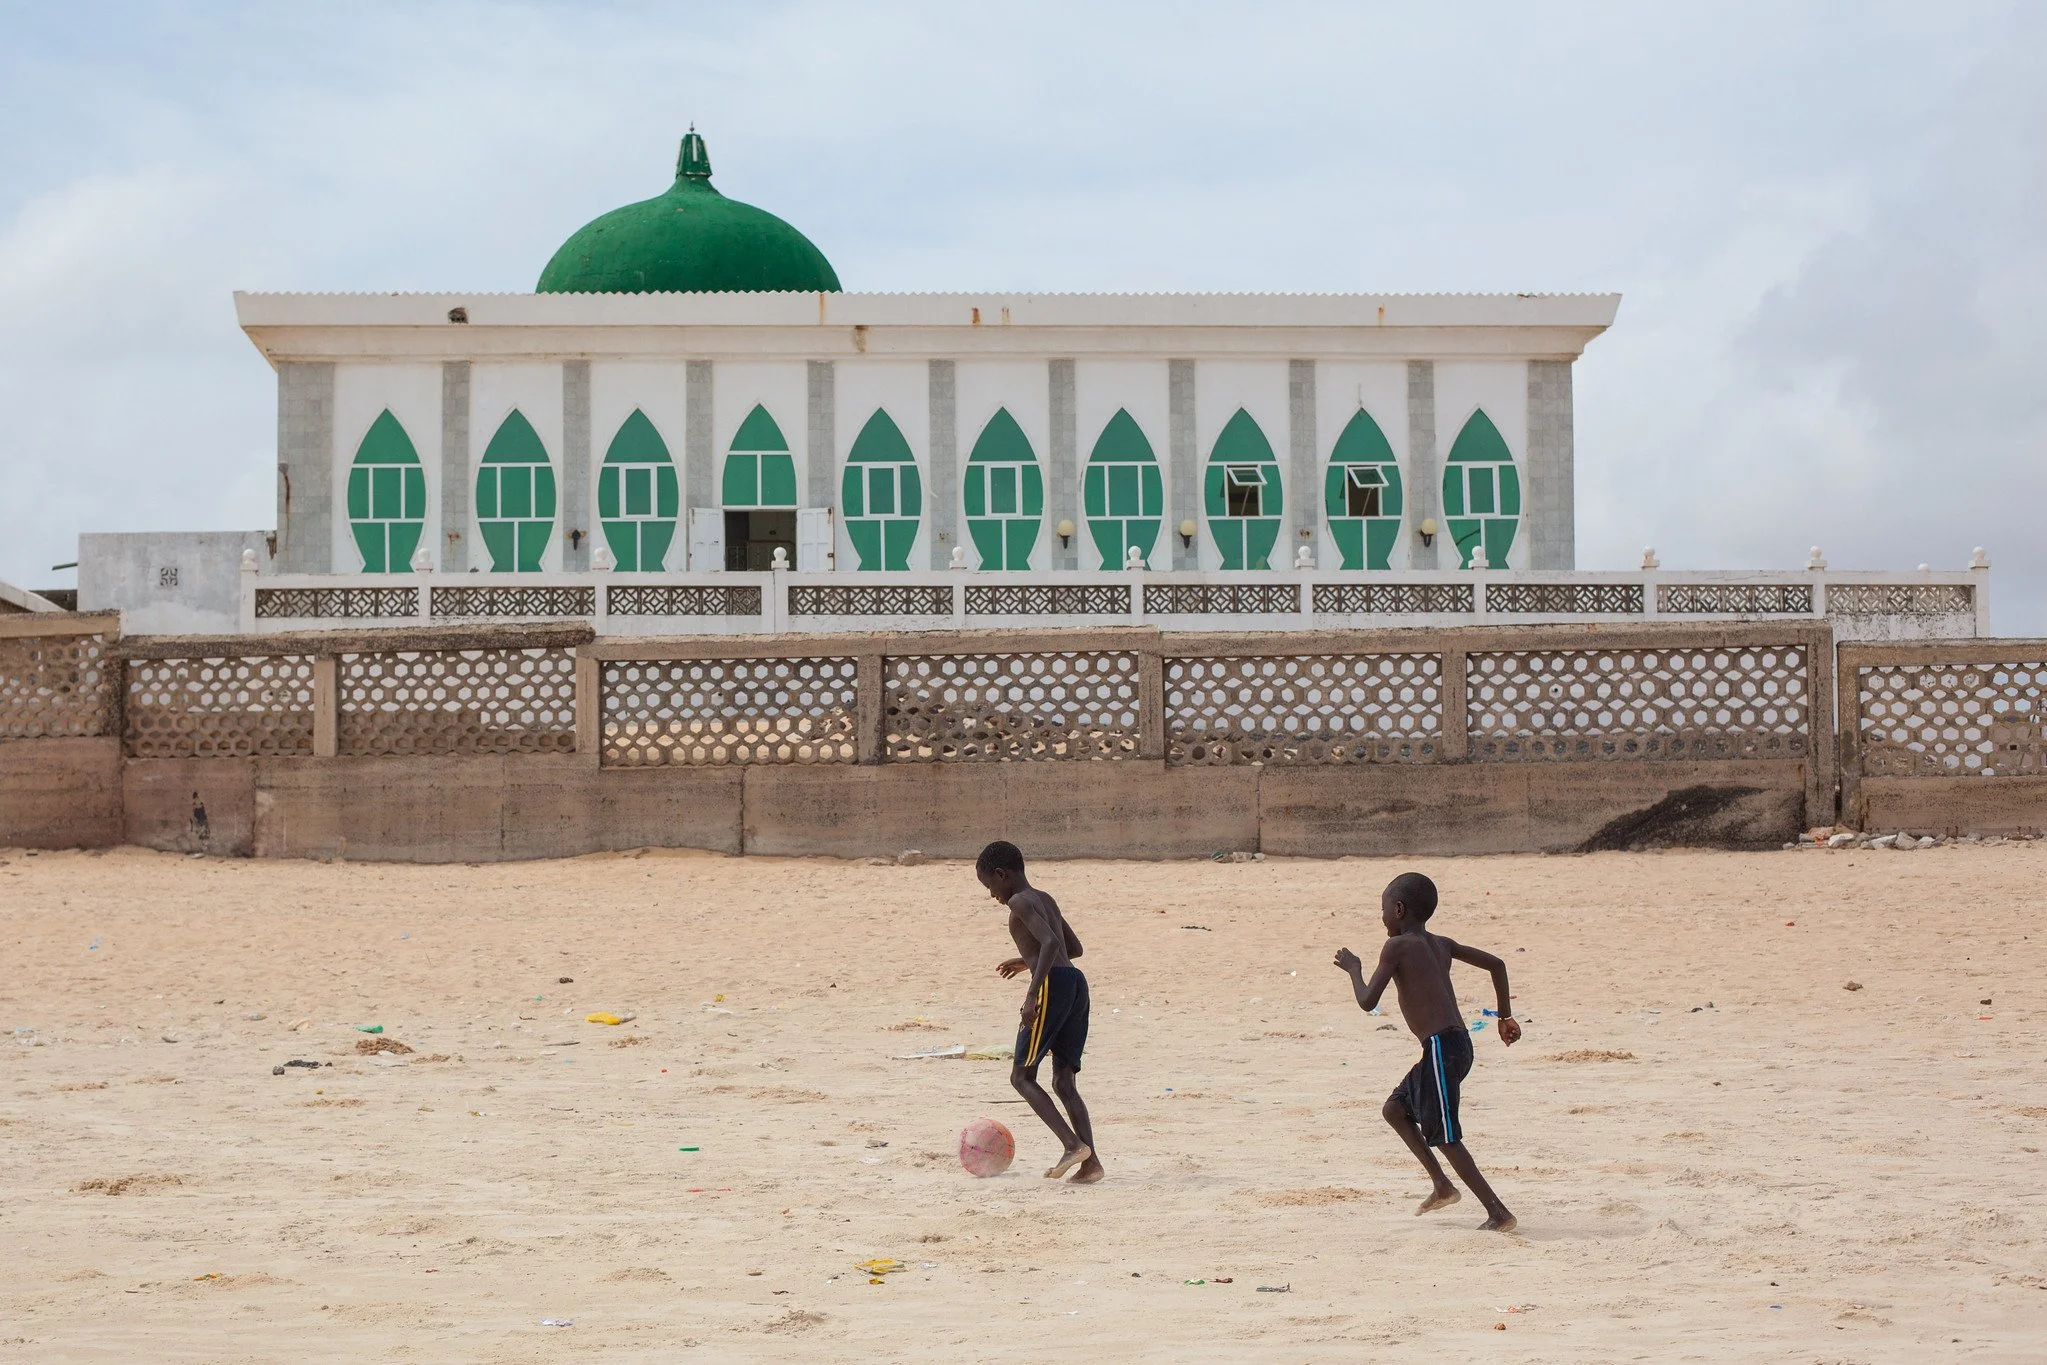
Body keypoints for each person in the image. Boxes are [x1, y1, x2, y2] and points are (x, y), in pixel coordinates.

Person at [1334, 871, 1521, 1232]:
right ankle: (1442, 1185)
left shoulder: (1396, 947)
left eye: (1384, 908)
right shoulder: (1441, 943)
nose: (1382, 916)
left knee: (1446, 1135)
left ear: (1399, 909)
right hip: (1456, 1045)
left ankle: (1498, 1213)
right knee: (1395, 1109)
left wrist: (1355, 970)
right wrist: (1505, 1016)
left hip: (1439, 1047)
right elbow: (1497, 964)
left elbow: (1367, 1001)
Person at [977, 840, 1102, 1184]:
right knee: (1064, 1081)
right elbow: (1072, 948)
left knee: (1021, 1076)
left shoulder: (1018, 901)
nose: (993, 895)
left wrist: (1031, 993)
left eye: (990, 886)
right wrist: (1026, 959)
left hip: (1052, 987)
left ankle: (1071, 1145)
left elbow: (1049, 944)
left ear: (1002, 875)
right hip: (1076, 984)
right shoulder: (1045, 898)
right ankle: (1091, 1164)